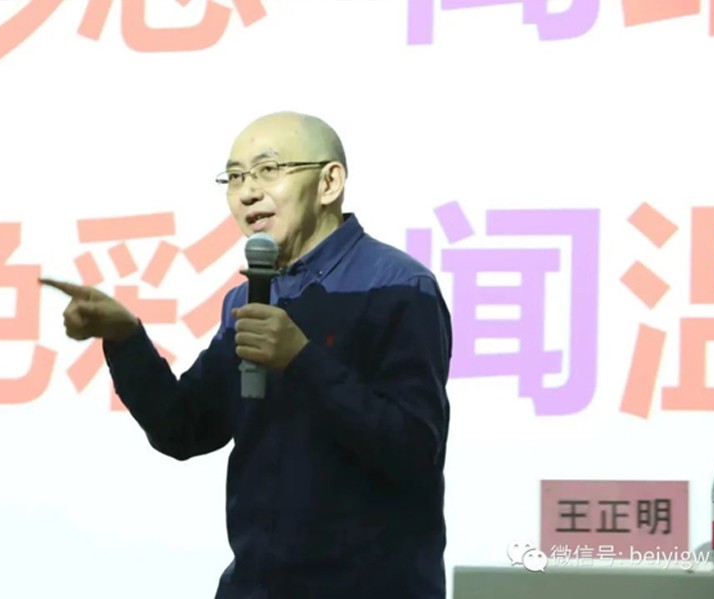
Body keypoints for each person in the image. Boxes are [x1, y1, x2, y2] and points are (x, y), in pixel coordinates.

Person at [40, 111, 452, 598]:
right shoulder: (250, 297)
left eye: (268, 170)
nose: (247, 192)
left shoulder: (399, 287)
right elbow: (183, 429)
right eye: (235, 177)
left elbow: (414, 450)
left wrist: (302, 359)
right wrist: (125, 338)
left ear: (329, 183)